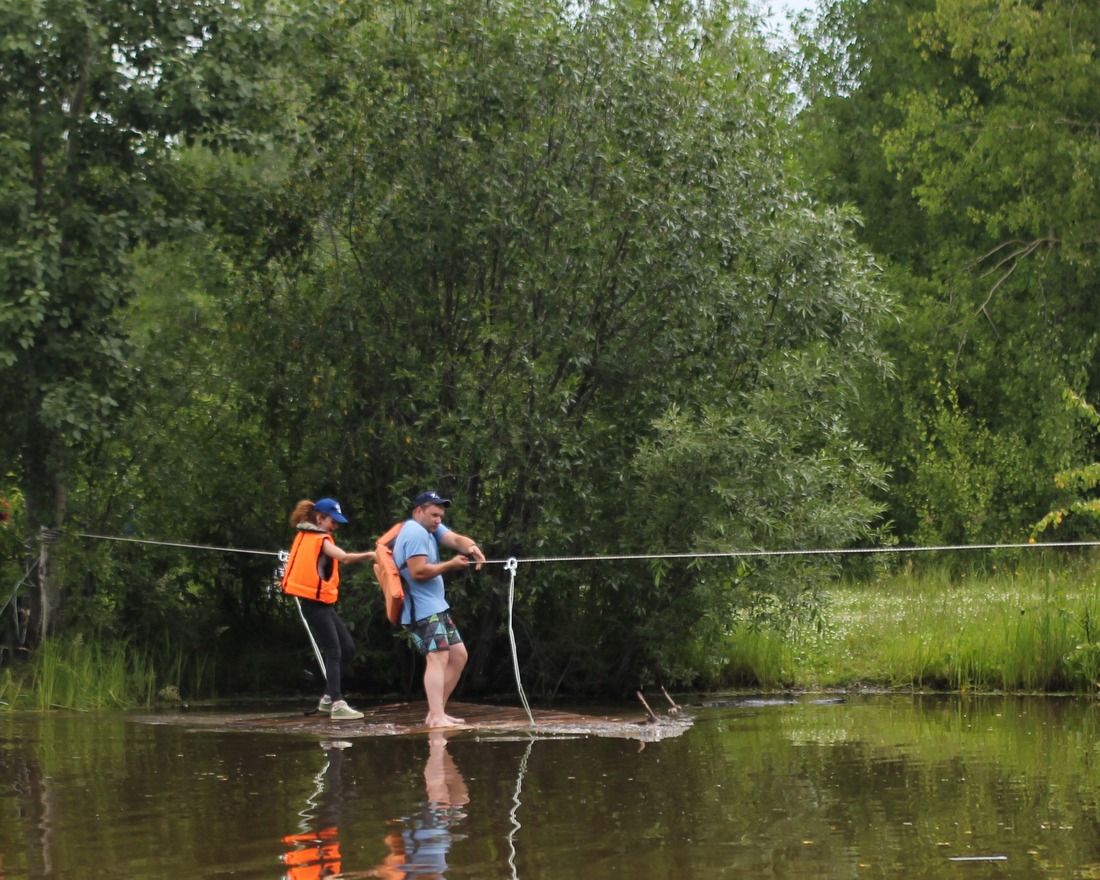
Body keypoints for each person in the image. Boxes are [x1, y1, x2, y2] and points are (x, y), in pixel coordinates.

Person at [392, 491, 486, 728]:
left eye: (440, 516)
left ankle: (438, 712)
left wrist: (472, 547)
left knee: (458, 655)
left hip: (436, 607)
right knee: (438, 657)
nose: (437, 519)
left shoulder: (431, 529)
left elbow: (455, 540)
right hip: (421, 609)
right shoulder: (414, 532)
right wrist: (451, 565)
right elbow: (418, 571)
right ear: (418, 512)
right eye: (433, 514)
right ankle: (436, 716)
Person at [282, 498, 376, 721]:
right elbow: (344, 557)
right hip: (314, 606)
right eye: (332, 521)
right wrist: (371, 555)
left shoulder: (312, 537)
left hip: (323, 605)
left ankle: (327, 698)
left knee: (348, 648)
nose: (335, 526)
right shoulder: (319, 540)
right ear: (319, 518)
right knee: (334, 652)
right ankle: (337, 703)